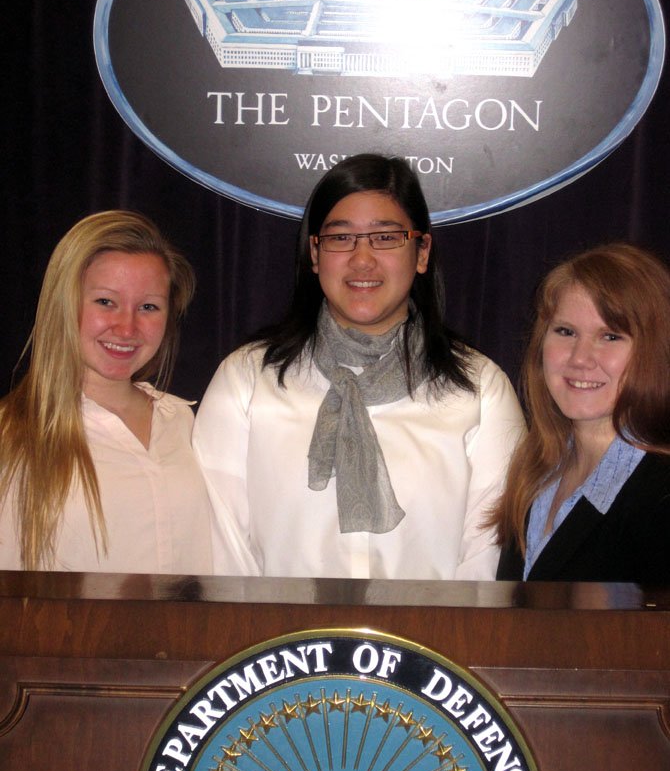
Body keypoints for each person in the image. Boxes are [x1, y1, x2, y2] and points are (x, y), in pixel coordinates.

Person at [193, 154, 524, 579]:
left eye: (386, 238)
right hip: (278, 640)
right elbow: (223, 548)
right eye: (340, 238)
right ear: (315, 253)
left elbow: (488, 558)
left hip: (433, 642)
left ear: (421, 251)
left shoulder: (479, 390)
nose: (362, 259)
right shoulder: (247, 381)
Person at [0, 210, 213, 573]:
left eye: (148, 307)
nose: (127, 327)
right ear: (64, 303)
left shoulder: (185, 421)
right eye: (105, 302)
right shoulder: (12, 436)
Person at [494, 243, 670, 585]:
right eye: (565, 331)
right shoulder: (536, 473)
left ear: (656, 352)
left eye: (610, 336)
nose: (580, 358)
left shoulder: (662, 494)